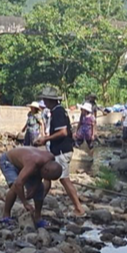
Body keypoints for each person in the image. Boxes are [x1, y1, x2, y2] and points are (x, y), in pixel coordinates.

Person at [34, 87, 85, 216]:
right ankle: (37, 204)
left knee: (64, 179)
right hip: (58, 150)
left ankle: (78, 208)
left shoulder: (58, 112)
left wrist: (46, 139)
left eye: (45, 100)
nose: (44, 102)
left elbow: (63, 132)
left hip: (61, 151)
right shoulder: (57, 111)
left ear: (49, 100)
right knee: (47, 176)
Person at [0, 147, 62, 227]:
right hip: (9, 161)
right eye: (47, 177)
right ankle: (6, 216)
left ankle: (38, 218)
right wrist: (25, 203)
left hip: (25, 164)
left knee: (40, 189)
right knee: (14, 187)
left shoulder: (50, 158)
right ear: (46, 170)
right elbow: (19, 184)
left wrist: (35, 187)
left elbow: (40, 176)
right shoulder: (33, 163)